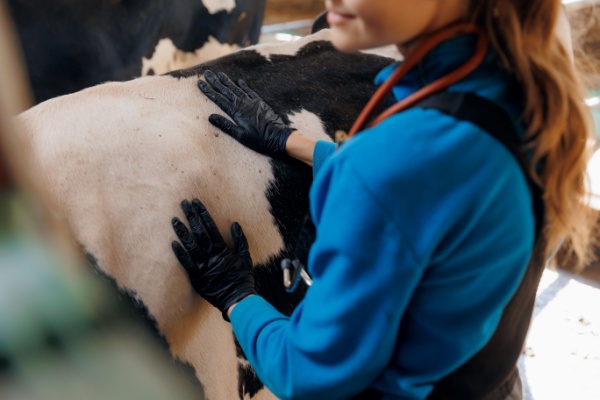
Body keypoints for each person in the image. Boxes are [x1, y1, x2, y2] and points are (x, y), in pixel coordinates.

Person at [169, 1, 596, 399]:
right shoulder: (516, 93)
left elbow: (307, 373)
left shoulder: (392, 166)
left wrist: (237, 299)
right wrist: (291, 141)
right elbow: (434, 190)